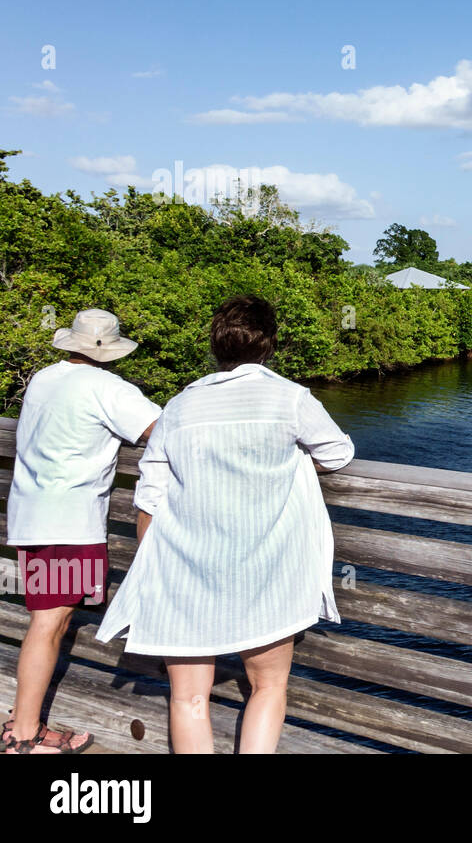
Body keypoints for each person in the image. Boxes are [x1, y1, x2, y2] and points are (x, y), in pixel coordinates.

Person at [96, 295, 354, 753]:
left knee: (189, 698)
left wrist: (153, 572)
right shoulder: (292, 399)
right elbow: (336, 454)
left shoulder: (179, 406)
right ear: (270, 345)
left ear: (216, 346)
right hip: (267, 573)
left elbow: (151, 497)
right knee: (268, 688)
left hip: (185, 571)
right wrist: (285, 464)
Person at [3, 309, 160, 754]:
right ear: (109, 350)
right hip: (69, 521)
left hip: (32, 515)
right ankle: (25, 735)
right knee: (50, 623)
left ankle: (23, 724)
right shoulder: (109, 388)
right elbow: (167, 431)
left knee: (48, 619)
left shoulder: (44, 378)